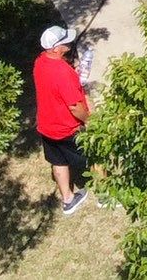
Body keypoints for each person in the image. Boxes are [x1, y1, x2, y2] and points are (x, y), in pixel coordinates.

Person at [34, 25, 91, 213]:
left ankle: (68, 200)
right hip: (67, 129)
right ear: (57, 48)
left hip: (46, 126)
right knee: (95, 155)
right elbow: (75, 107)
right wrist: (89, 121)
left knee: (58, 161)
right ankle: (108, 194)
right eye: (65, 42)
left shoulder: (40, 62)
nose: (68, 44)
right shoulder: (63, 72)